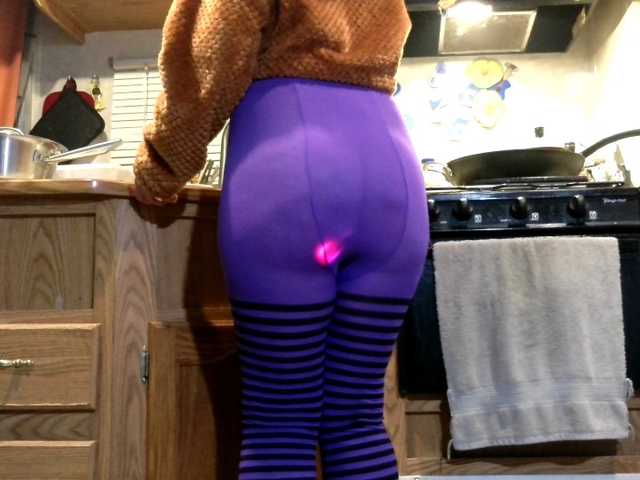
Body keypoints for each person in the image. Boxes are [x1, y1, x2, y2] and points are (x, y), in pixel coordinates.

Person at [131, 1, 429, 478]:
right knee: (356, 418)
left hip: (290, 170)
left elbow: (210, 63)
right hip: (392, 173)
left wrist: (159, 169)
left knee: (280, 425)